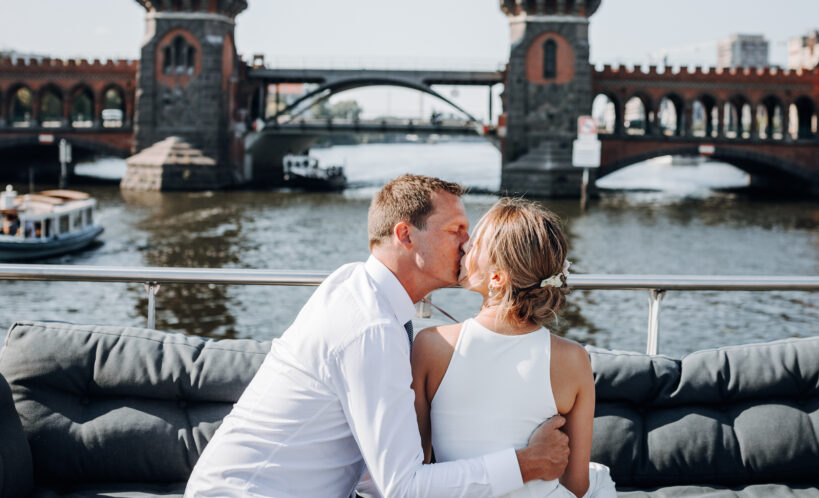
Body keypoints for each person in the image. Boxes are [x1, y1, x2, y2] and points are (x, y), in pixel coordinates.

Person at [186, 175, 570, 498]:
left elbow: (378, 474)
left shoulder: (358, 286)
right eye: (456, 231)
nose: (469, 245)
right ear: (405, 235)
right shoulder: (371, 328)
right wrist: (527, 464)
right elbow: (402, 488)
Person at [412, 198, 617, 498]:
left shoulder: (432, 345)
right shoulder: (574, 360)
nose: (465, 247)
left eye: (476, 244)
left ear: (497, 277)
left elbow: (418, 469)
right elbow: (577, 485)